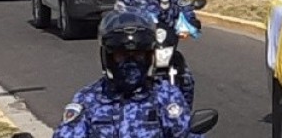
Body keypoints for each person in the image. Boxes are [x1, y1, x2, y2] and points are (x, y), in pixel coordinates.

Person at [52, 9, 192, 138]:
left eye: (138, 54)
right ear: (107, 57)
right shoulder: (89, 99)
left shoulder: (165, 95)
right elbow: (66, 134)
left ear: (149, 56)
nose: (130, 62)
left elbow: (186, 133)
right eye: (122, 55)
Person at [115, 0, 200, 109]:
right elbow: (119, 17)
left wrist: (191, 23)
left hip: (165, 49)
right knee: (120, 77)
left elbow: (185, 10)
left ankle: (185, 117)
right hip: (138, 52)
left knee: (187, 78)